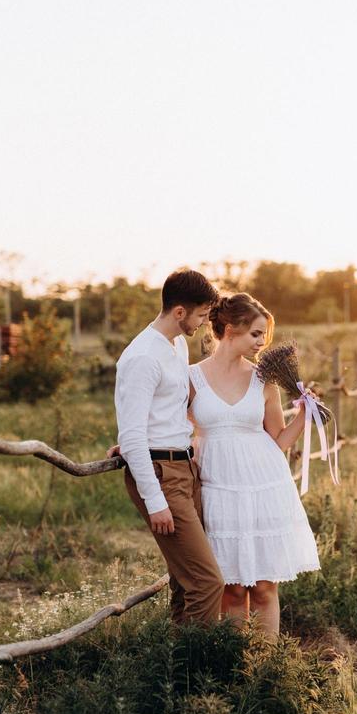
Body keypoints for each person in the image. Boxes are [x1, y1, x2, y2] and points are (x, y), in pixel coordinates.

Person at [188, 292, 320, 636]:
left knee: (263, 587)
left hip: (264, 487)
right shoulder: (190, 378)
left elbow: (278, 440)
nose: (263, 342)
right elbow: (173, 429)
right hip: (219, 490)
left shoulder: (264, 379)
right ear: (230, 329)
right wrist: (129, 445)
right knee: (230, 587)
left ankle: (264, 670)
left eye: (265, 335)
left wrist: (304, 415)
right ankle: (235, 667)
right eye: (256, 334)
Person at [112, 269, 225, 625]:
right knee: (208, 582)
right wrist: (155, 499)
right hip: (162, 478)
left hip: (184, 468)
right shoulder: (143, 357)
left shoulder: (177, 344)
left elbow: (168, 409)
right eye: (202, 314)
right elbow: (132, 434)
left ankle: (177, 668)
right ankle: (199, 668)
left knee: (185, 579)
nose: (205, 322)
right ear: (180, 312)